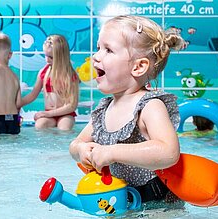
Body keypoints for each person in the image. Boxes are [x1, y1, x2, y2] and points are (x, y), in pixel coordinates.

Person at [69, 15, 187, 203]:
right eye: (98, 48)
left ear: (139, 67)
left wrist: (112, 152)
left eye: (108, 50)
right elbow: (75, 144)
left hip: (155, 202)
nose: (95, 56)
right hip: (121, 199)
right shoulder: (104, 110)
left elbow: (169, 152)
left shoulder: (149, 106)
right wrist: (82, 149)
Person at [19, 34, 79, 130]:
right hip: (49, 114)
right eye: (45, 56)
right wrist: (18, 104)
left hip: (66, 114)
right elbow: (33, 95)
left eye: (51, 57)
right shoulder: (43, 72)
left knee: (64, 128)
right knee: (40, 125)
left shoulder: (70, 76)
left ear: (61, 57)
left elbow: (72, 105)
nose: (47, 60)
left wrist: (47, 113)